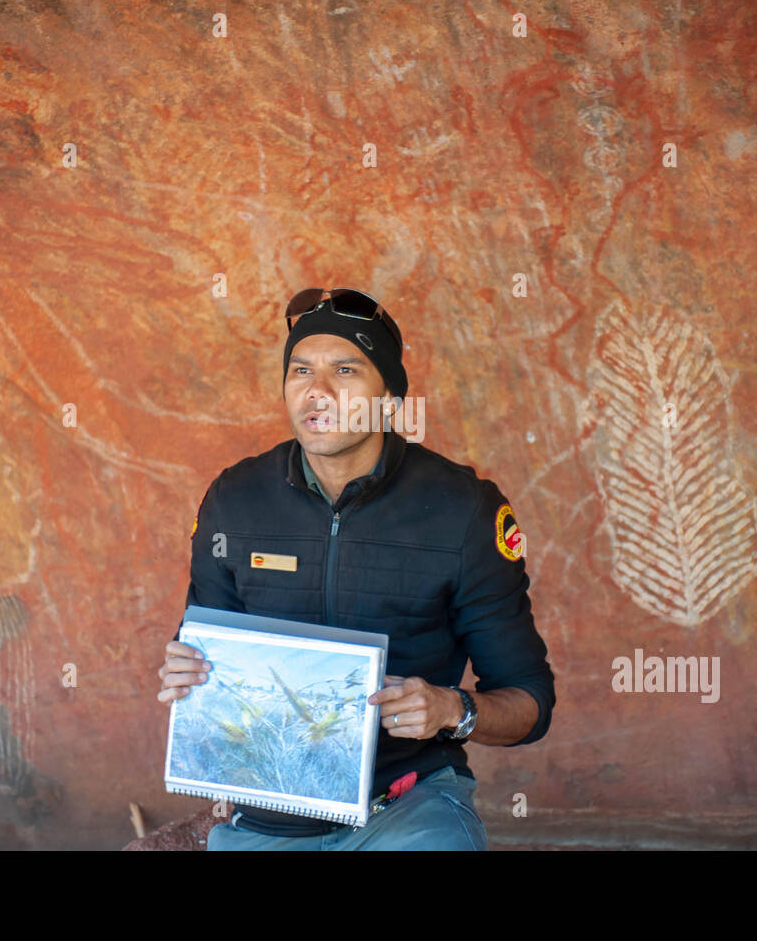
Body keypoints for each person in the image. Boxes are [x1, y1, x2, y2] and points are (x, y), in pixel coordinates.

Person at [157, 287, 555, 850]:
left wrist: (452, 709)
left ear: (388, 395)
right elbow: (207, 648)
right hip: (267, 816)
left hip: (405, 808)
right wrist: (188, 674)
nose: (317, 391)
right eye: (300, 370)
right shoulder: (235, 499)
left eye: (345, 369)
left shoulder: (464, 510)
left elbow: (528, 701)